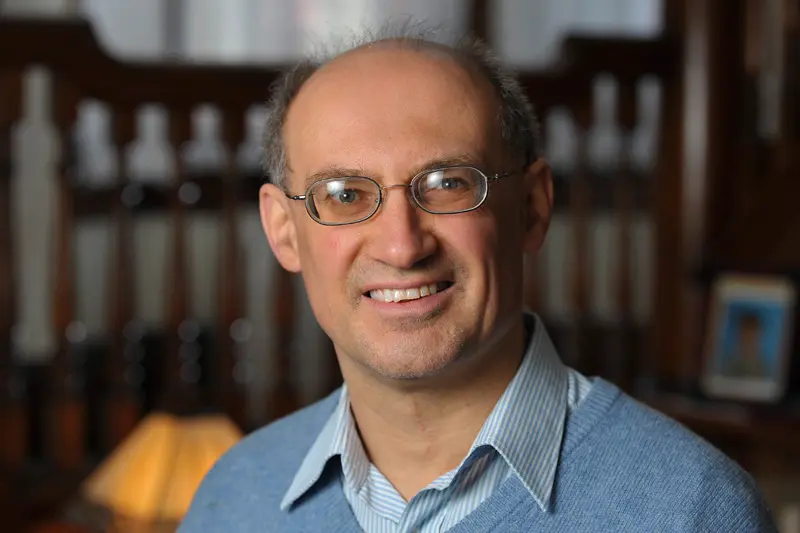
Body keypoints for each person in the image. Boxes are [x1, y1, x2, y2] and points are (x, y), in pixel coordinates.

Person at [178, 26, 777, 532]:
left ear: (533, 209)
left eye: (447, 184)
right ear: (284, 230)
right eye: (345, 194)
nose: (402, 244)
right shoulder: (232, 502)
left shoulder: (689, 510)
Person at [723, 313, 770, 379]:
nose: (748, 339)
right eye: (745, 335)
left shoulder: (767, 369)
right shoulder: (725, 365)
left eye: (752, 335)